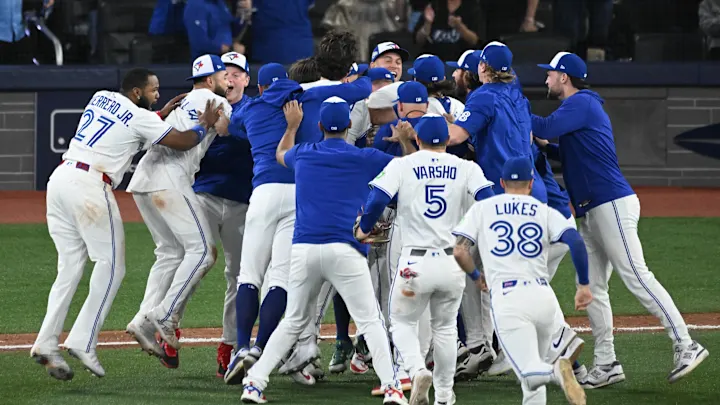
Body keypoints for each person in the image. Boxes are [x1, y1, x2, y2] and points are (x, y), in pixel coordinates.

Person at [532, 51, 710, 388]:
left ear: (564, 77)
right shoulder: (579, 108)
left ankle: (686, 343)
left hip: (610, 202)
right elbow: (567, 151)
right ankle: (606, 363)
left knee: (636, 275)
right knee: (594, 288)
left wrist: (509, 105)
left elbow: (545, 125)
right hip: (591, 208)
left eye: (550, 74)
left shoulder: (581, 102)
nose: (546, 79)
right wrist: (544, 146)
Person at [31, 67, 222, 380]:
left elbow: (126, 126)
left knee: (70, 267)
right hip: (90, 186)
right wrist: (203, 125)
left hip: (60, 179)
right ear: (137, 92)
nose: (157, 94)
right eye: (153, 89)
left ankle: (46, 343)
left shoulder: (100, 96)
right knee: (111, 266)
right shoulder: (140, 117)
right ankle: (82, 341)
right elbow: (184, 141)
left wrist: (159, 113)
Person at [239, 97, 410, 405]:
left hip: (304, 250)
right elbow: (410, 166)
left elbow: (280, 155)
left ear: (318, 127)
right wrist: (406, 141)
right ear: (348, 127)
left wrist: (291, 127)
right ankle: (392, 387)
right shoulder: (364, 156)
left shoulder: (304, 153)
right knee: (370, 321)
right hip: (344, 250)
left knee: (293, 321)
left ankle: (254, 383)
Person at [224, 61, 372, 385]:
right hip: (297, 195)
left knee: (248, 274)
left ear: (259, 86)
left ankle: (242, 347)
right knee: (279, 278)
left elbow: (229, 126)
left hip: (262, 192)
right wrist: (367, 70)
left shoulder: (250, 109)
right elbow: (361, 89)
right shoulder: (308, 96)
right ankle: (261, 347)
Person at [356, 113, 495, 405]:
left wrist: (364, 228)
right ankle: (445, 395)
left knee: (401, 321)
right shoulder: (466, 167)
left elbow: (377, 199)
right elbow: (489, 199)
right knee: (444, 328)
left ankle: (416, 369)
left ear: (417, 139)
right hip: (451, 263)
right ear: (447, 140)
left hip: (414, 262)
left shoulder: (402, 164)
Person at [452, 156, 592, 405]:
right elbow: (576, 242)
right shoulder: (543, 211)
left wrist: (476, 276)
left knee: (528, 371)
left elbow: (460, 251)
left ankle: (556, 371)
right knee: (532, 388)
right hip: (543, 297)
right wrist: (583, 285)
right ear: (531, 184)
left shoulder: (483, 209)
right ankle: (559, 354)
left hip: (509, 301)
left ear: (502, 183)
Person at [125, 55, 233, 356]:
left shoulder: (185, 100)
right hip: (170, 180)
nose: (228, 81)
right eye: (224, 76)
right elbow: (227, 131)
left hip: (144, 179)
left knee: (170, 253)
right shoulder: (215, 101)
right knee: (203, 252)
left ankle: (143, 320)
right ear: (210, 80)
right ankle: (165, 314)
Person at [186, 52, 253, 377]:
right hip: (204, 196)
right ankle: (169, 326)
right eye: (226, 72)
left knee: (239, 276)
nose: (231, 78)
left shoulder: (254, 110)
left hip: (242, 201)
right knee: (195, 259)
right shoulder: (200, 105)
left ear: (246, 80)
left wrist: (228, 131)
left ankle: (230, 345)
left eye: (237, 73)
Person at [413, 0, 482, 62]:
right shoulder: (434, 6)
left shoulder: (471, 7)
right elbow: (419, 40)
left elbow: (475, 41)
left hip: (460, 64)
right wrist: (427, 24)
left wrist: (460, 28)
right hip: (433, 63)